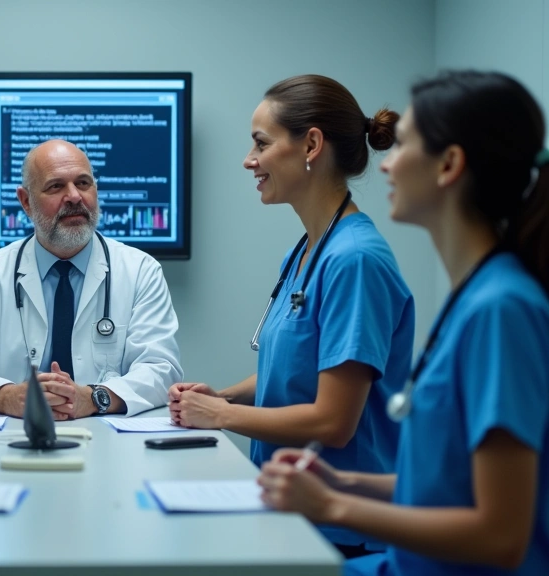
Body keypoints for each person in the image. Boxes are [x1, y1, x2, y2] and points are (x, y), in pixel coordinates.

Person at [259, 70, 549, 576]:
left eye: (405, 146)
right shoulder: (476, 296)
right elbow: (441, 481)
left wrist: (331, 507)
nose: (387, 165)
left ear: (449, 165)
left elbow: (502, 535)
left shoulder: (502, 308)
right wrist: (338, 481)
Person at [168, 75, 415, 556]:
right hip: (293, 512)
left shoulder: (356, 259)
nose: (249, 159)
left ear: (312, 144)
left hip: (345, 532)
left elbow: (332, 421)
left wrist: (221, 414)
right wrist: (222, 393)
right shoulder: (304, 252)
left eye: (261, 143)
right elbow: (293, 375)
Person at [0, 139, 182, 419]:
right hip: (14, 438)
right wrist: (8, 397)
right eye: (55, 186)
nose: (74, 196)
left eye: (83, 183)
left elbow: (161, 369)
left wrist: (95, 397)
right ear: (26, 202)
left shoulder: (140, 270)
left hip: (110, 437)